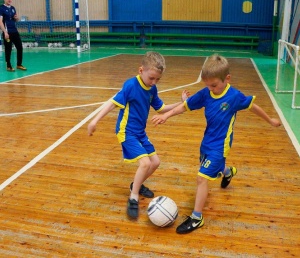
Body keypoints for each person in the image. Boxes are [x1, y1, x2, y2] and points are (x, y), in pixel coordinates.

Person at [152, 54, 281, 234]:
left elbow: (253, 107)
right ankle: (228, 172)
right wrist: (166, 115)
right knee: (215, 168)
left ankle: (197, 218)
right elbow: (185, 106)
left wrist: (271, 120)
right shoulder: (206, 93)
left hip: (220, 146)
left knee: (201, 178)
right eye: (207, 85)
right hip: (207, 143)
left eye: (214, 85)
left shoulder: (235, 96)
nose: (210, 89)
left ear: (227, 78)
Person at [87, 51, 190, 219]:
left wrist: (182, 103)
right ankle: (133, 197)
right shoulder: (130, 85)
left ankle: (136, 184)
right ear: (141, 70)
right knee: (144, 163)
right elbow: (112, 103)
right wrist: (94, 121)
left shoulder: (152, 88)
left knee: (155, 162)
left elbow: (161, 108)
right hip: (126, 132)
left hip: (140, 133)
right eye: (151, 78)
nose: (154, 82)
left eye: (157, 79)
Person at [0, 0, 26, 72]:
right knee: (8, 49)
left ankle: (19, 64)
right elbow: (0, 22)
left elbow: (16, 20)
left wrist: (17, 18)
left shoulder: (13, 8)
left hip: (14, 31)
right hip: (7, 32)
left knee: (20, 47)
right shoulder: (1, 8)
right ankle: (8, 66)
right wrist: (5, 32)